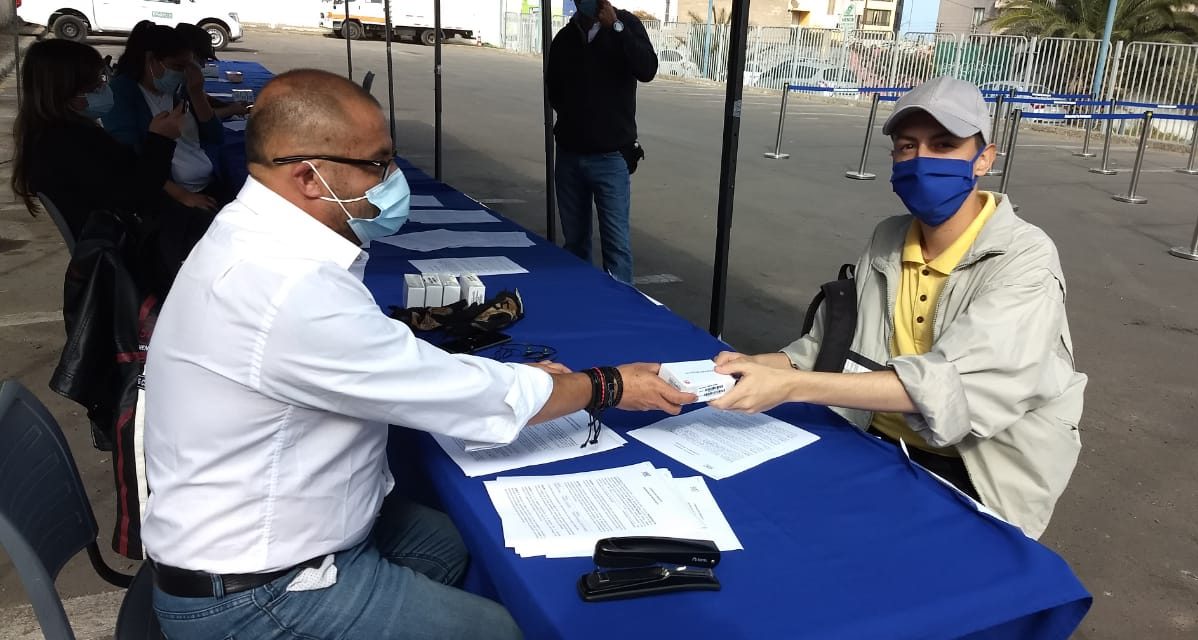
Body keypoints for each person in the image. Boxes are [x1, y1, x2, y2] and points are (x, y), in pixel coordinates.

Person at [141, 68, 696, 639]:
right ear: (308, 176)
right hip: (260, 589)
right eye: (378, 164)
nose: (393, 179)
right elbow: (464, 397)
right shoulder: (288, 288)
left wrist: (506, 379)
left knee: (479, 546)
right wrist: (606, 385)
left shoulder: (255, 236)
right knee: (502, 630)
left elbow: (404, 366)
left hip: (297, 531)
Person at [709, 77, 1087, 540]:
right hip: (875, 440)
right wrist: (752, 365)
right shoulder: (888, 237)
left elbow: (955, 387)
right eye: (907, 146)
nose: (922, 161)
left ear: (984, 159)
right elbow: (829, 347)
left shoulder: (1024, 258)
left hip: (976, 469)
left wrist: (789, 385)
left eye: (944, 144)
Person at [9, 39, 207, 297]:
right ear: (68, 93)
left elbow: (125, 175)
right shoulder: (68, 145)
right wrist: (160, 140)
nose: (105, 88)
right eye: (95, 85)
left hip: (128, 236)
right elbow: (139, 197)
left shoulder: (59, 134)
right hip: (133, 249)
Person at [547, 0, 657, 284]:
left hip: (610, 158)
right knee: (575, 242)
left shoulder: (626, 25)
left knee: (616, 246)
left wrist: (616, 28)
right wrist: (576, 118)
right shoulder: (565, 37)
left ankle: (619, 315)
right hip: (570, 155)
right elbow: (554, 89)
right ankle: (581, 302)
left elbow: (647, 70)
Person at [103, 22, 225, 212]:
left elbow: (216, 135)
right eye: (177, 66)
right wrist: (183, 196)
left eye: (188, 66)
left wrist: (197, 93)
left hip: (206, 180)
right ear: (151, 59)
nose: (183, 73)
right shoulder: (121, 93)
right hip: (171, 198)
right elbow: (131, 162)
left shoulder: (178, 89)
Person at [175, 22, 251, 120]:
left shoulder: (183, 80)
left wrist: (226, 105)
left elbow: (202, 97)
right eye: (201, 58)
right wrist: (231, 110)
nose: (202, 65)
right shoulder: (171, 84)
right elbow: (196, 117)